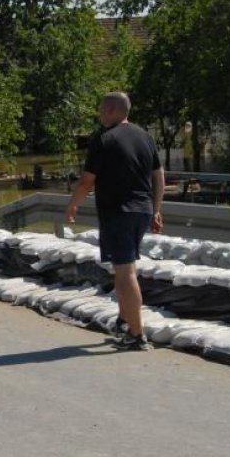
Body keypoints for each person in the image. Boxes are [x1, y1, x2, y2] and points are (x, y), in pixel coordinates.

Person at [65, 92, 165, 351]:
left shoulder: (103, 138)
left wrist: (73, 203)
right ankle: (124, 320)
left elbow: (88, 180)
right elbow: (158, 175)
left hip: (118, 211)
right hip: (142, 211)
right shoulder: (145, 136)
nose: (99, 113)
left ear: (110, 110)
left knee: (125, 271)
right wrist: (155, 210)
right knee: (124, 267)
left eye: (100, 109)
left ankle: (137, 333)